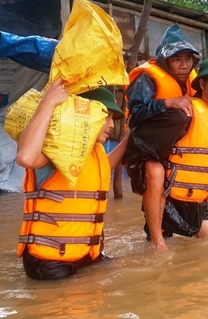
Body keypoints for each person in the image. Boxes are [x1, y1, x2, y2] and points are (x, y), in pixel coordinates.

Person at [15, 78, 129, 280]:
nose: (112, 124)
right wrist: (48, 103)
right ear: (85, 115)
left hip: (86, 254)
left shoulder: (95, 150)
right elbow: (25, 157)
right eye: (106, 116)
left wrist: (130, 137)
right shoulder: (57, 148)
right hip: (50, 261)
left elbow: (102, 169)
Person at [127, 54, 208, 251]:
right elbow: (141, 146)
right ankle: (157, 241)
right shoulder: (182, 114)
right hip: (169, 199)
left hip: (197, 199)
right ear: (203, 85)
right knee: (154, 168)